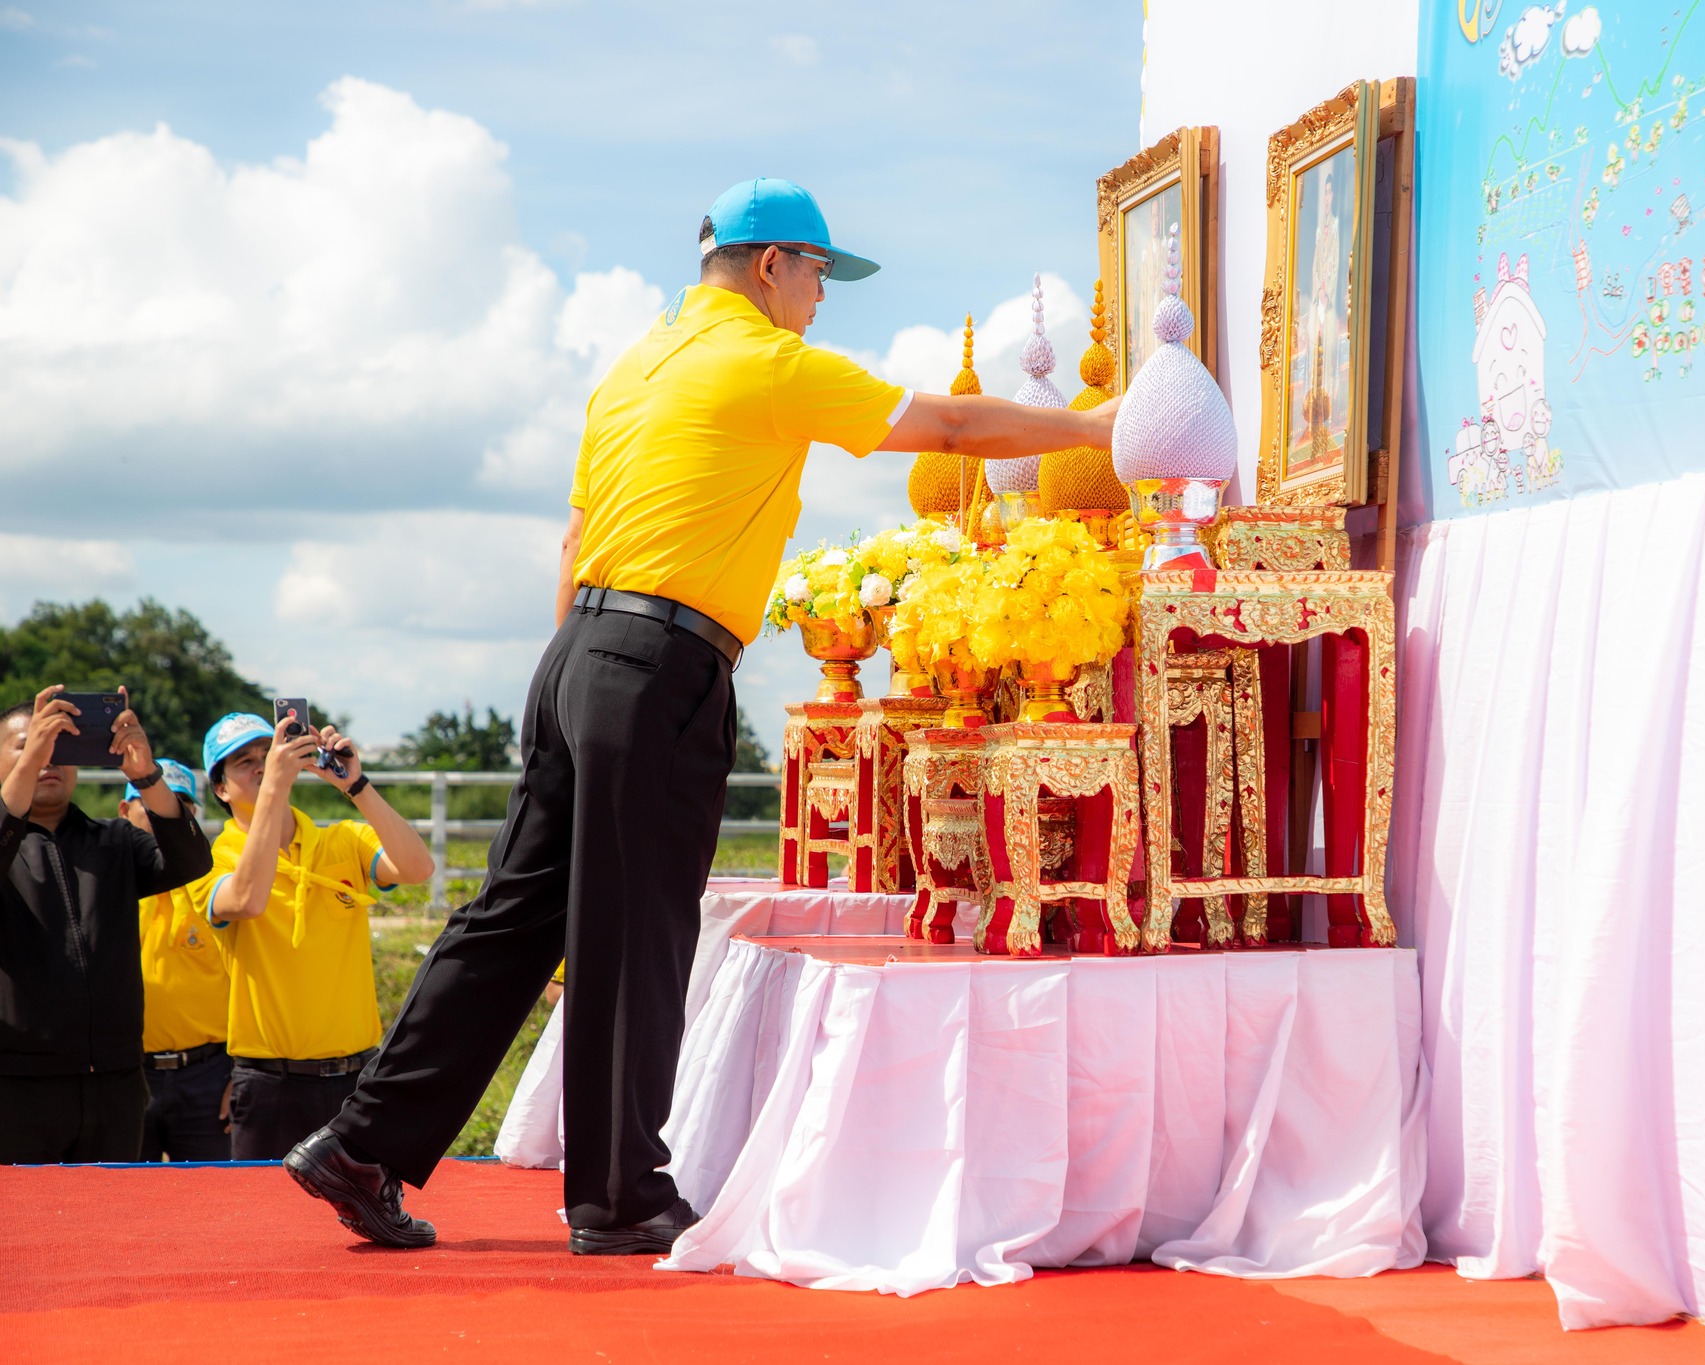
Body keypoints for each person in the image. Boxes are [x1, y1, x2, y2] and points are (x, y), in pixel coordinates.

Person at [288, 177, 1118, 1255]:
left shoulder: (634, 367)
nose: (823, 299)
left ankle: (361, 1144)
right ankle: (619, 1195)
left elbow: (573, 536)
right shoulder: (767, 362)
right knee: (634, 932)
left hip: (576, 651)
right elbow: (950, 426)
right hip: (657, 662)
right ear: (773, 264)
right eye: (821, 274)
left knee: (509, 916)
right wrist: (1095, 425)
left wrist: (565, 689)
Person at [197, 711, 434, 1161]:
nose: (261, 765)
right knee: (266, 1226)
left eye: (266, 753)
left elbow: (418, 868)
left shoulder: (341, 841)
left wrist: (356, 786)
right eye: (242, 762)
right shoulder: (213, 862)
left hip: (356, 1078)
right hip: (271, 1084)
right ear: (221, 788)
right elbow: (247, 900)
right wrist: (274, 790)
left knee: (369, 1219)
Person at [0, 686, 212, 1163]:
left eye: (59, 747)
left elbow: (192, 861)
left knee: (111, 1232)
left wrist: (146, 774)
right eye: (30, 745)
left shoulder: (113, 841)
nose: (47, 759)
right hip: (16, 1088)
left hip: (115, 1084)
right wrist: (29, 763)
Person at [119, 759, 234, 1162]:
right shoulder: (105, 885)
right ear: (124, 811)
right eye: (146, 802)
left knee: (216, 1206)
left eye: (180, 802)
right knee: (124, 1205)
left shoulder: (218, 888)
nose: (163, 811)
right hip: (129, 1074)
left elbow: (251, 981)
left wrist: (243, 1073)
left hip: (210, 1074)